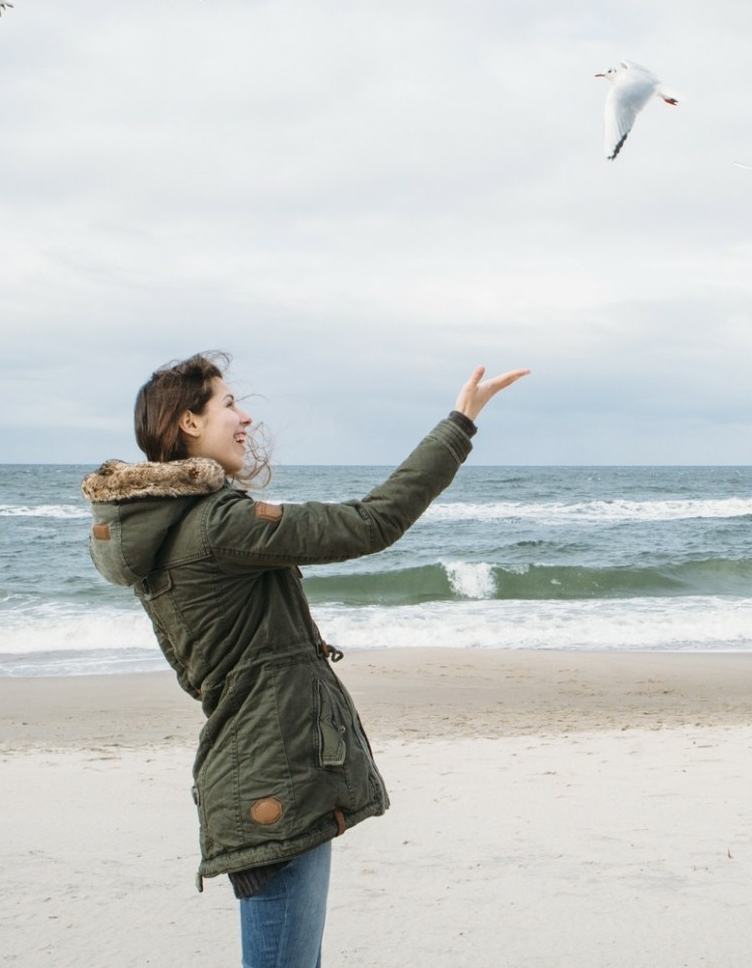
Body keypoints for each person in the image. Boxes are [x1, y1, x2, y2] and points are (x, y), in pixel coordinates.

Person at [81, 352, 526, 968]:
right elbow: (368, 523)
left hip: (257, 766)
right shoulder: (216, 526)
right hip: (276, 775)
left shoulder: (167, 531)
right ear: (187, 423)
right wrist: (459, 424)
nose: (245, 419)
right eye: (228, 403)